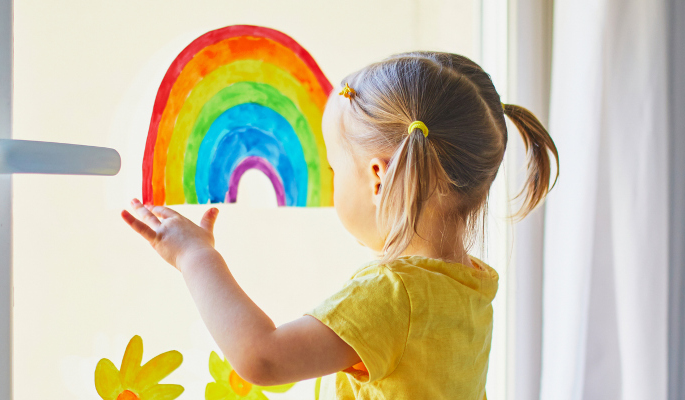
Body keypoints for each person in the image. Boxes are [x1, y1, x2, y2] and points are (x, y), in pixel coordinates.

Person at [121, 51, 558, 399]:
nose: (331, 184)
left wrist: (196, 255)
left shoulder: (392, 296)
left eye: (333, 170)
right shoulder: (470, 284)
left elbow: (263, 359)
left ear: (377, 178)